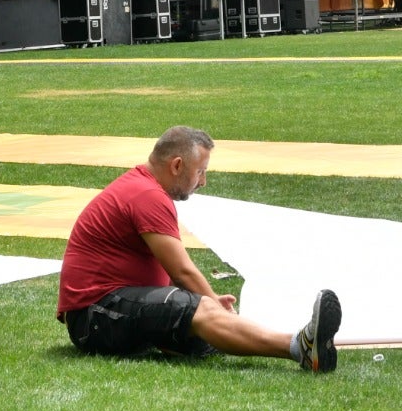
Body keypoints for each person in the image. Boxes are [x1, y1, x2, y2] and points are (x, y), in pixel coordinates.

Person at [58, 126, 342, 373]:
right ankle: (299, 347)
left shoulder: (144, 189)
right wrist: (211, 304)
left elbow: (165, 275)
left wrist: (209, 305)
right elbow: (182, 272)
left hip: (104, 313)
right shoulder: (147, 195)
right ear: (177, 165)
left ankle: (297, 342)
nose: (203, 181)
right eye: (200, 171)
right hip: (93, 318)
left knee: (203, 326)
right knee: (200, 310)